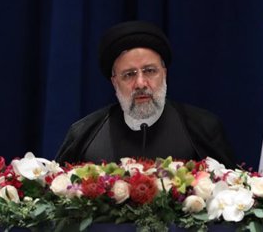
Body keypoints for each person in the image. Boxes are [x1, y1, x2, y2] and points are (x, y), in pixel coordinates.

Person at [56, 20, 235, 166]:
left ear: (164, 73)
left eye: (149, 71)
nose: (140, 83)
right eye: (129, 75)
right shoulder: (83, 134)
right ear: (114, 81)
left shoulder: (204, 127)